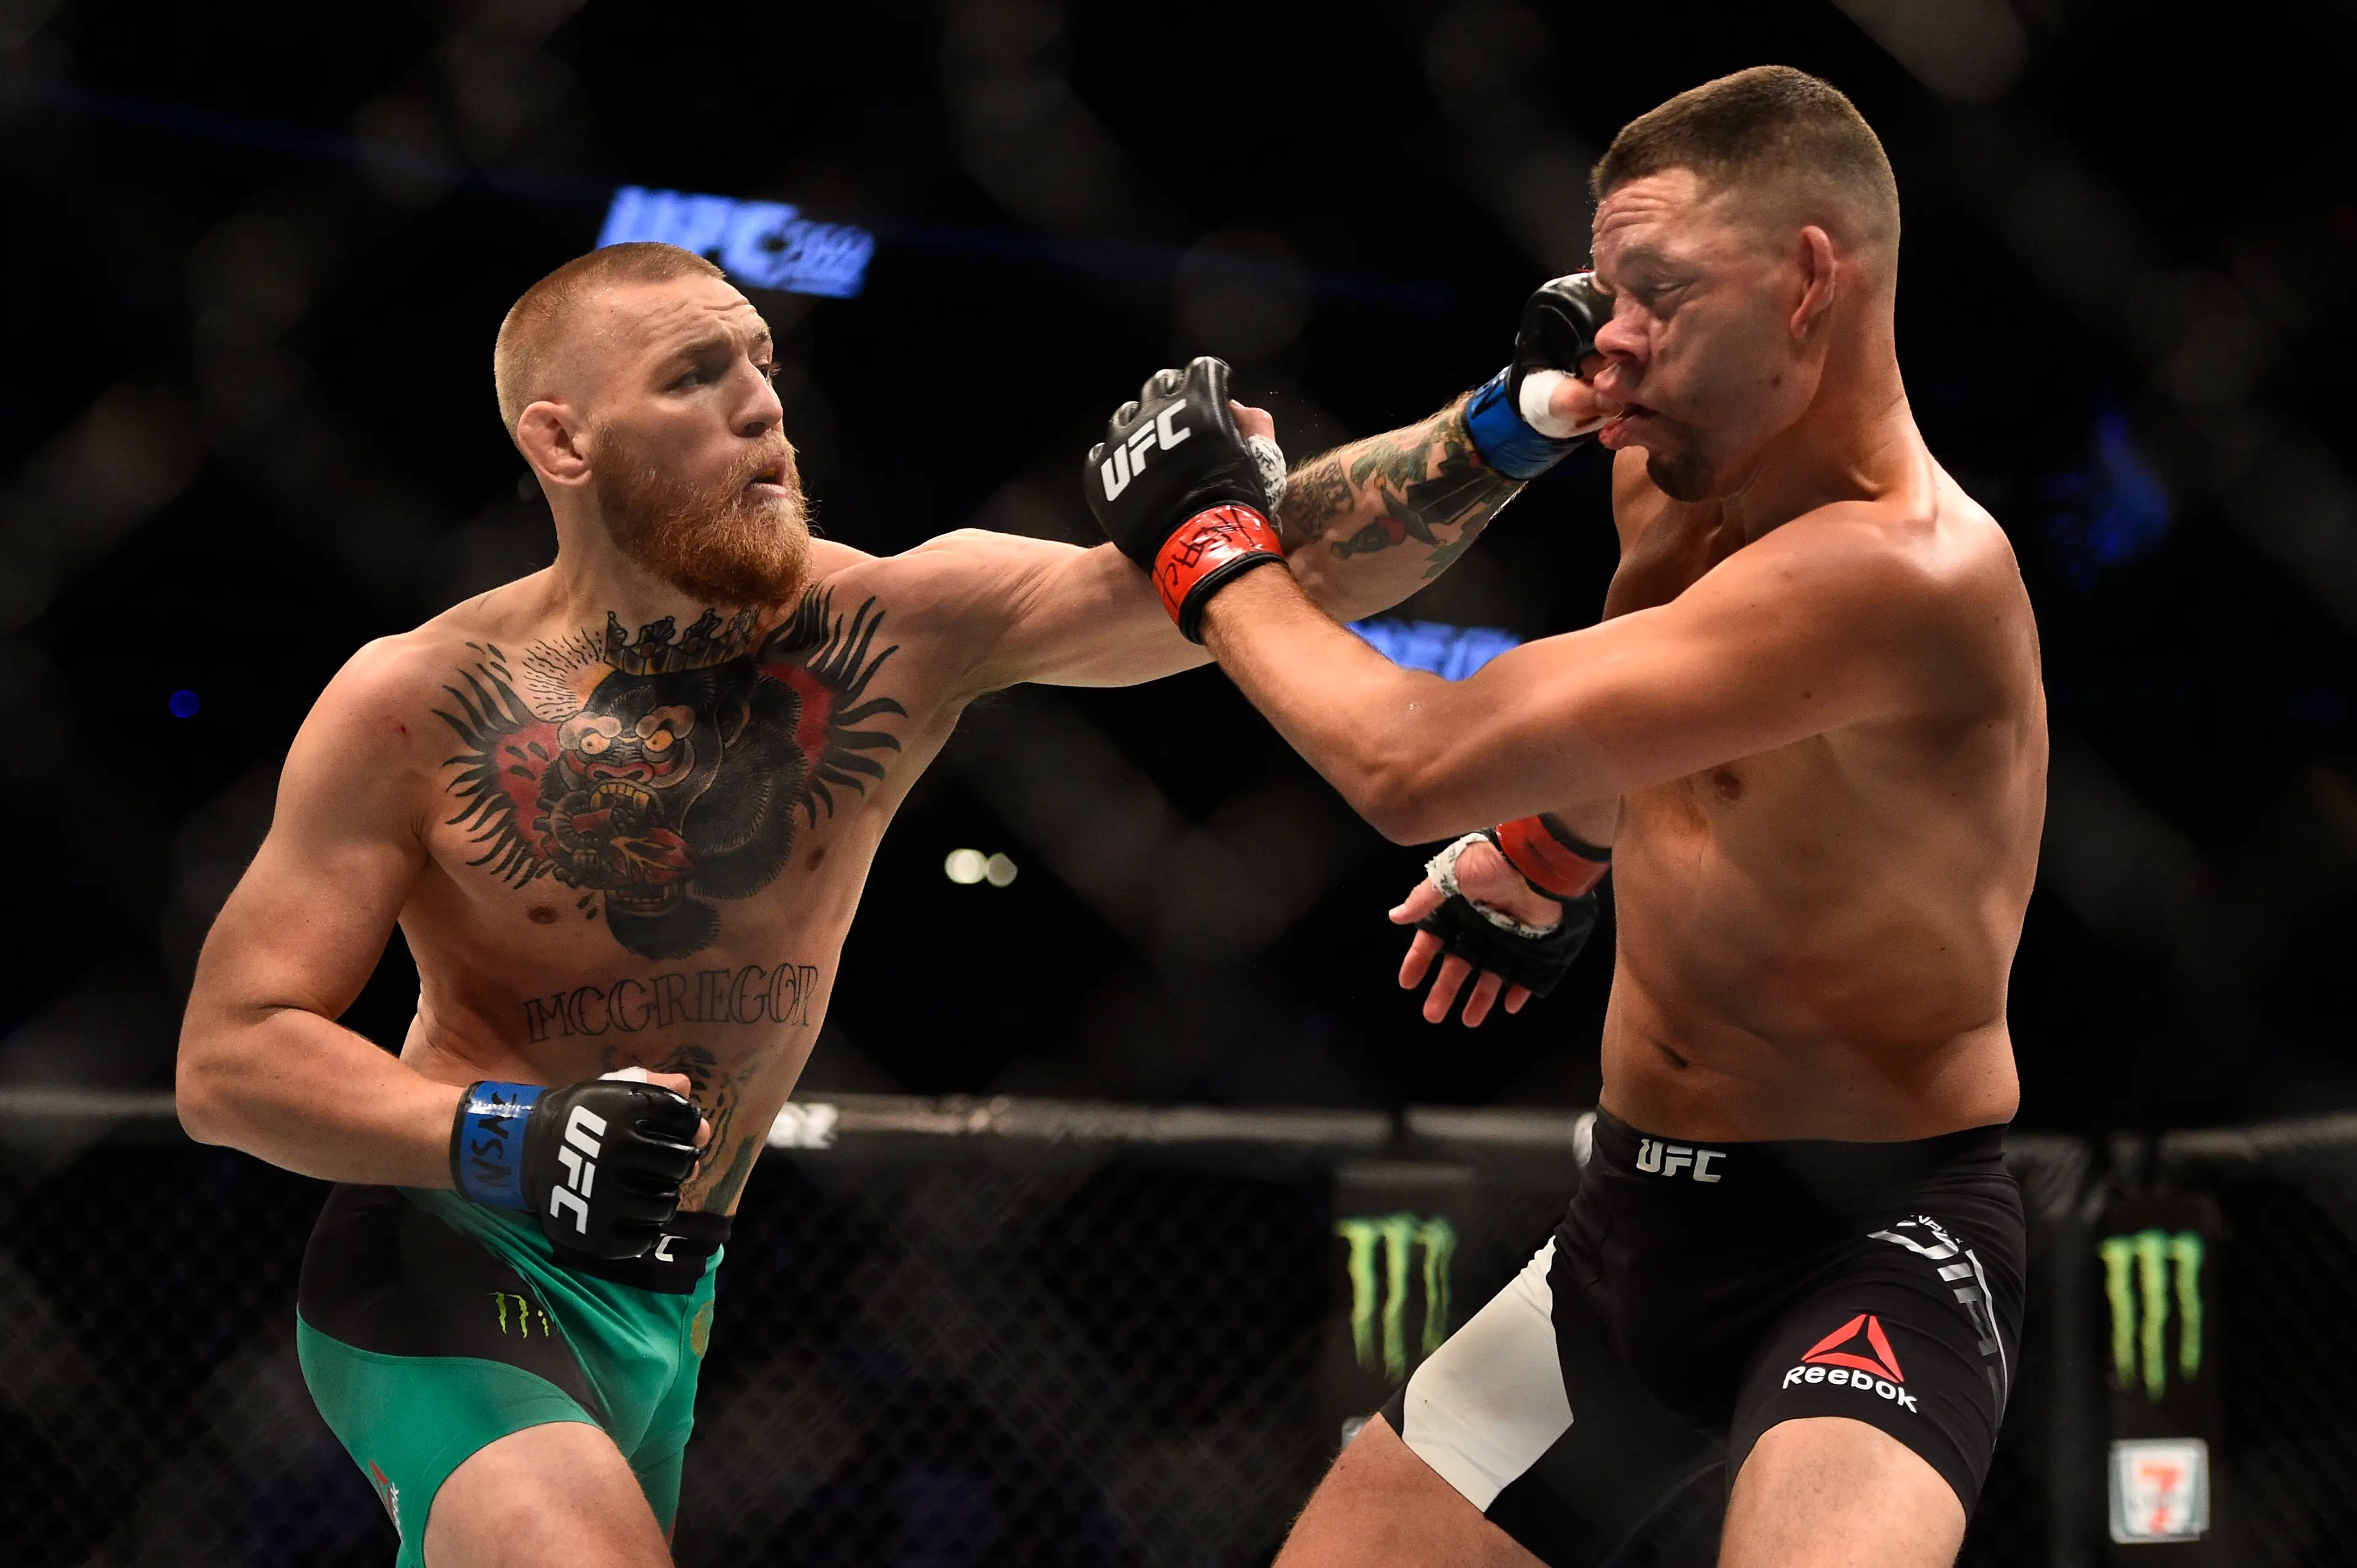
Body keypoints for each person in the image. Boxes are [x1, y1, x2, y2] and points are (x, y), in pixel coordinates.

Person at [172, 241, 1535, 1567]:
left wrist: (1519, 417)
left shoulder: (888, 623)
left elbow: (1276, 581)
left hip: (675, 1285)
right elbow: (229, 1058)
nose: (762, 403)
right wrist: (512, 1137)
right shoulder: (421, 701)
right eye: (695, 376)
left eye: (761, 362)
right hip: (452, 1250)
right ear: (563, 443)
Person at [1085, 67, 2045, 1567]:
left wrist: (1209, 546)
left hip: (1873, 1231)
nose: (1613, 336)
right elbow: (1649, 705)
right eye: (1605, 291)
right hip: (1632, 1227)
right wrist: (1558, 846)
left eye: (1657, 289)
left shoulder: (1908, 573)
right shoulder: (1672, 485)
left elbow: (1411, 759)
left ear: (1808, 282)